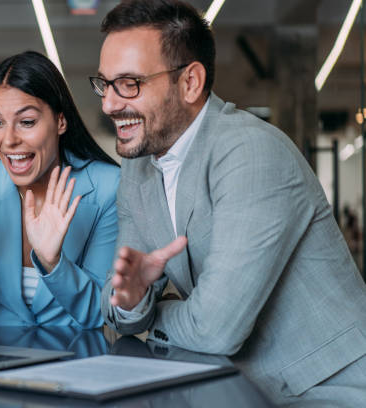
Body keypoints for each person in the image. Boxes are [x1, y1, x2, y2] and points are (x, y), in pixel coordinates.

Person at [95, 0, 366, 405]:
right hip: (240, 385)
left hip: (329, 387)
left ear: (190, 82)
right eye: (104, 84)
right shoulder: (139, 171)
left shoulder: (251, 152)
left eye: (130, 84)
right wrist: (134, 299)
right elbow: (115, 300)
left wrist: (149, 313)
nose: (110, 104)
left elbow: (216, 329)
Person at [0, 51, 119, 329]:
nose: (8, 140)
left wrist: (52, 262)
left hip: (73, 360)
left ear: (60, 121)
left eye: (27, 122)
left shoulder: (108, 187)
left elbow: (99, 314)